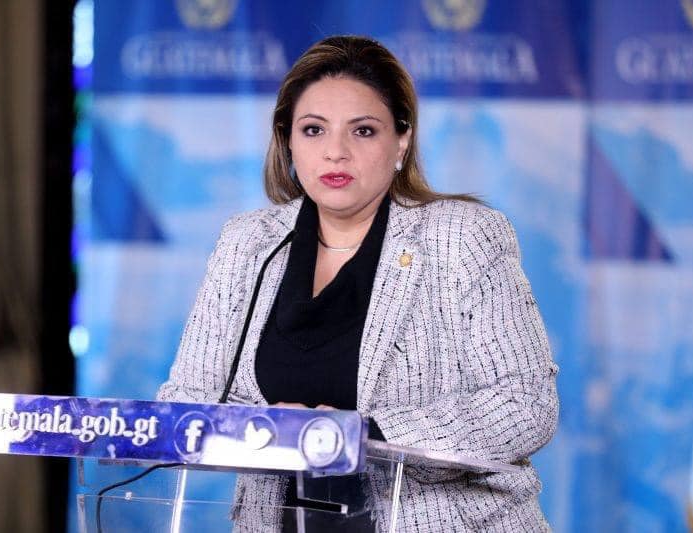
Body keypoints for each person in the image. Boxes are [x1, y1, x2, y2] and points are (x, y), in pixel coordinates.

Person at [157, 35, 559, 532]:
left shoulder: (462, 237)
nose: (336, 152)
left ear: (402, 141)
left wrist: (361, 435)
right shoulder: (247, 243)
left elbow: (525, 404)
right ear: (287, 141)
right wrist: (266, 430)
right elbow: (187, 401)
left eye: (363, 131)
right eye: (313, 130)